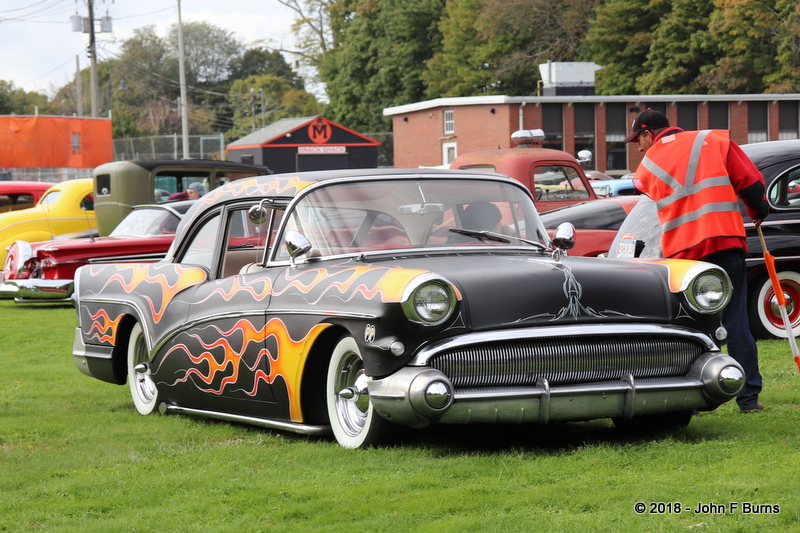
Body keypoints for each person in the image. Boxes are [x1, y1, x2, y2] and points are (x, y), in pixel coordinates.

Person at [625, 108, 769, 413]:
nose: (638, 147)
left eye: (638, 139)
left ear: (649, 134)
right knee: (736, 321)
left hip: (684, 255)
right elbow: (753, 185)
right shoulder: (714, 140)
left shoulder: (645, 168)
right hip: (726, 241)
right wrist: (758, 212)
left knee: (691, 327)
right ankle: (748, 398)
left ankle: (689, 396)